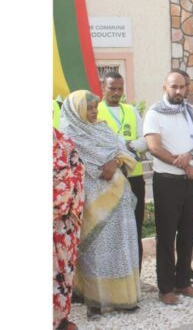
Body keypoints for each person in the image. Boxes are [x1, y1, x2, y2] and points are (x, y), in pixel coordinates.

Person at [60, 90, 140, 318]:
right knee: (94, 250)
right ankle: (94, 301)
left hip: (118, 200)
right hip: (90, 201)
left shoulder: (103, 128)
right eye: (89, 108)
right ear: (76, 110)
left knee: (121, 246)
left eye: (95, 107)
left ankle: (124, 298)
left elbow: (124, 152)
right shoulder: (67, 137)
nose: (94, 112)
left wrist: (114, 161)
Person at [144, 72, 193, 305]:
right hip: (167, 181)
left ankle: (183, 282)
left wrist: (190, 156)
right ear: (165, 88)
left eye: (182, 87)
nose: (179, 91)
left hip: (191, 181)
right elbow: (154, 147)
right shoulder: (154, 113)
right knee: (167, 235)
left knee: (188, 233)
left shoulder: (190, 112)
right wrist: (183, 164)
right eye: (174, 87)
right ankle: (166, 287)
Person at [96, 72, 150, 278]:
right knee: (110, 229)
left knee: (134, 226)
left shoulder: (131, 110)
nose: (117, 93)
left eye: (120, 89)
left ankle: (135, 278)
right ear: (103, 87)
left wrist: (128, 146)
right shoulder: (96, 111)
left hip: (134, 178)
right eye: (112, 88)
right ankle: (112, 278)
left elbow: (144, 140)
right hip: (108, 179)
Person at [53, 127, 85, 330]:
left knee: (62, 271)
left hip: (63, 222)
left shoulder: (64, 141)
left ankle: (61, 319)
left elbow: (78, 171)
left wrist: (65, 201)